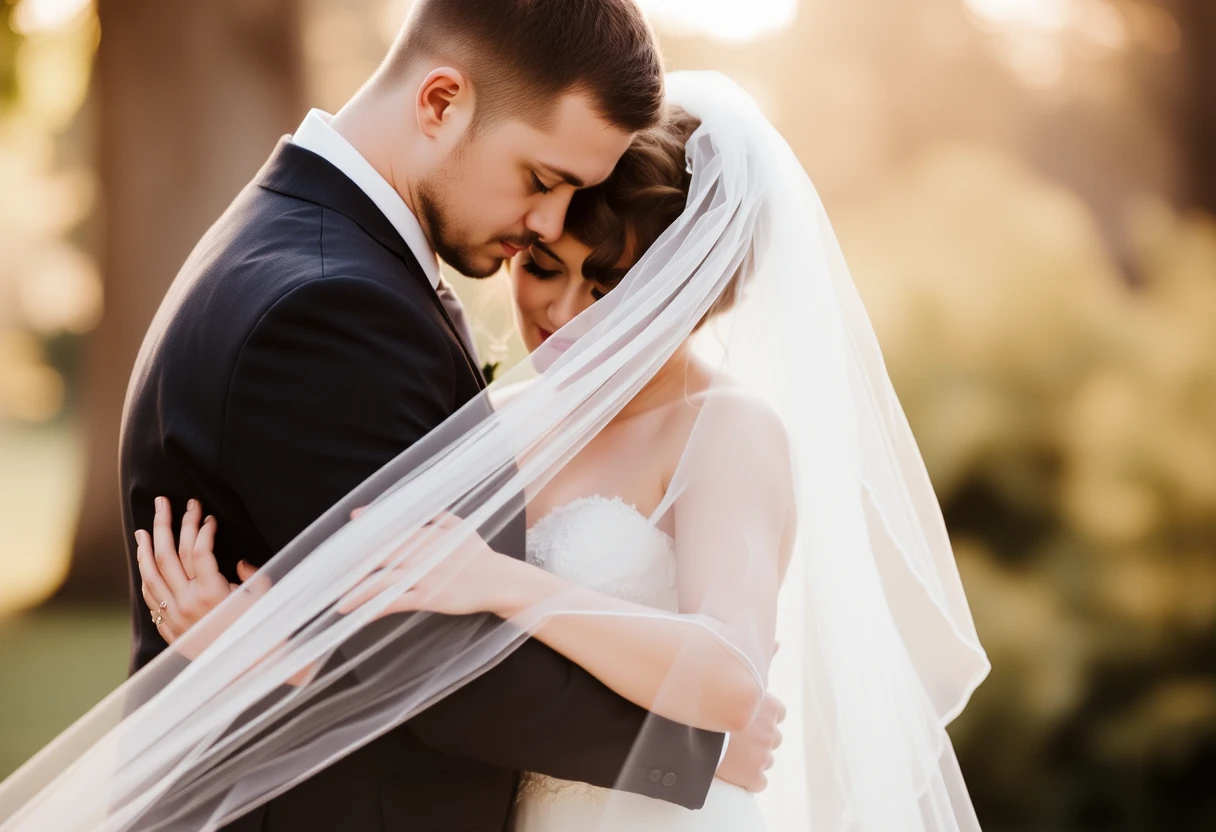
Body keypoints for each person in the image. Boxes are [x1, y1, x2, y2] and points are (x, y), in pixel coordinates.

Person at [0, 72, 988, 832]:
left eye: (613, 290)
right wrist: (264, 654)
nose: (560, 316)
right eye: (545, 268)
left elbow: (731, 678)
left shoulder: (725, 431)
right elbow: (418, 642)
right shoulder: (501, 418)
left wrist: (514, 587)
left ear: (694, 292)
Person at [109, 1, 771, 829]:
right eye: (542, 180)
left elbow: (392, 636)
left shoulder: (317, 248)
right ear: (440, 102)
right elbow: (428, 662)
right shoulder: (329, 304)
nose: (548, 224)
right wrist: (692, 753)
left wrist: (273, 647)